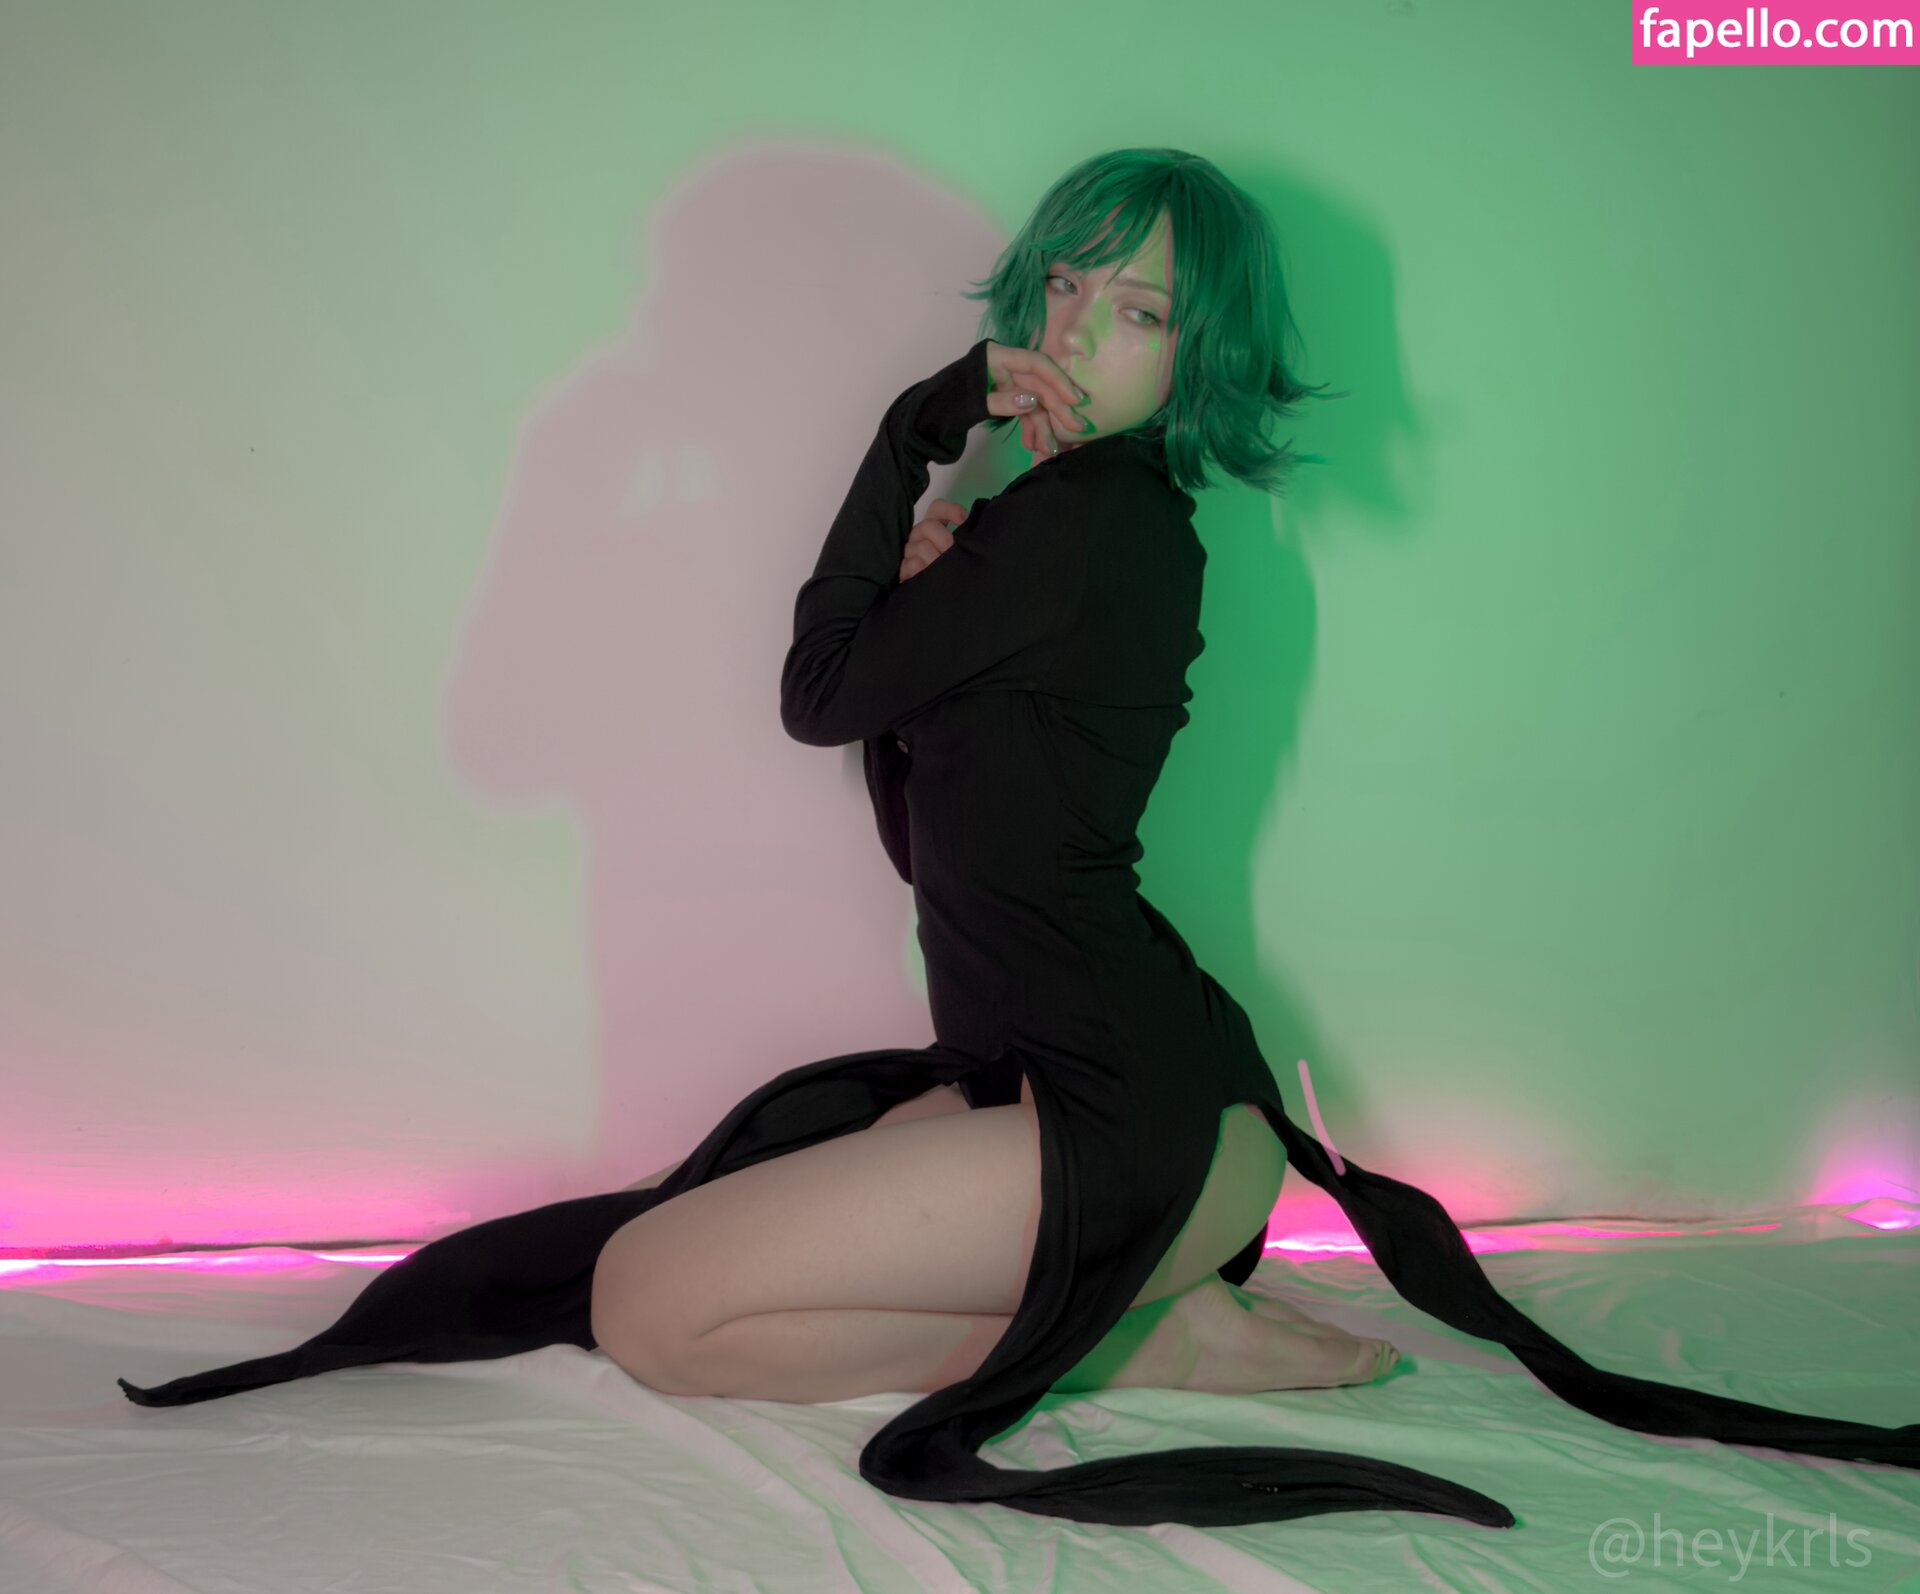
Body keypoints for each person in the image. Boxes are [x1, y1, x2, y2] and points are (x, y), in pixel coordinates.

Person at [117, 149, 1918, 1531]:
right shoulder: (1066, 529)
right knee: (670, 1292)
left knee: (655, 1304)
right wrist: (934, 573)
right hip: (1109, 1098)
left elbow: (813, 695)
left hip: (1127, 1114)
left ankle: (1137, 1321)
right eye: (1069, 280)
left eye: (1138, 307)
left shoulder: (1088, 528)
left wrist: (914, 435)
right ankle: (1140, 1316)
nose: (1078, 323)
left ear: (1201, 358)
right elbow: (932, 816)